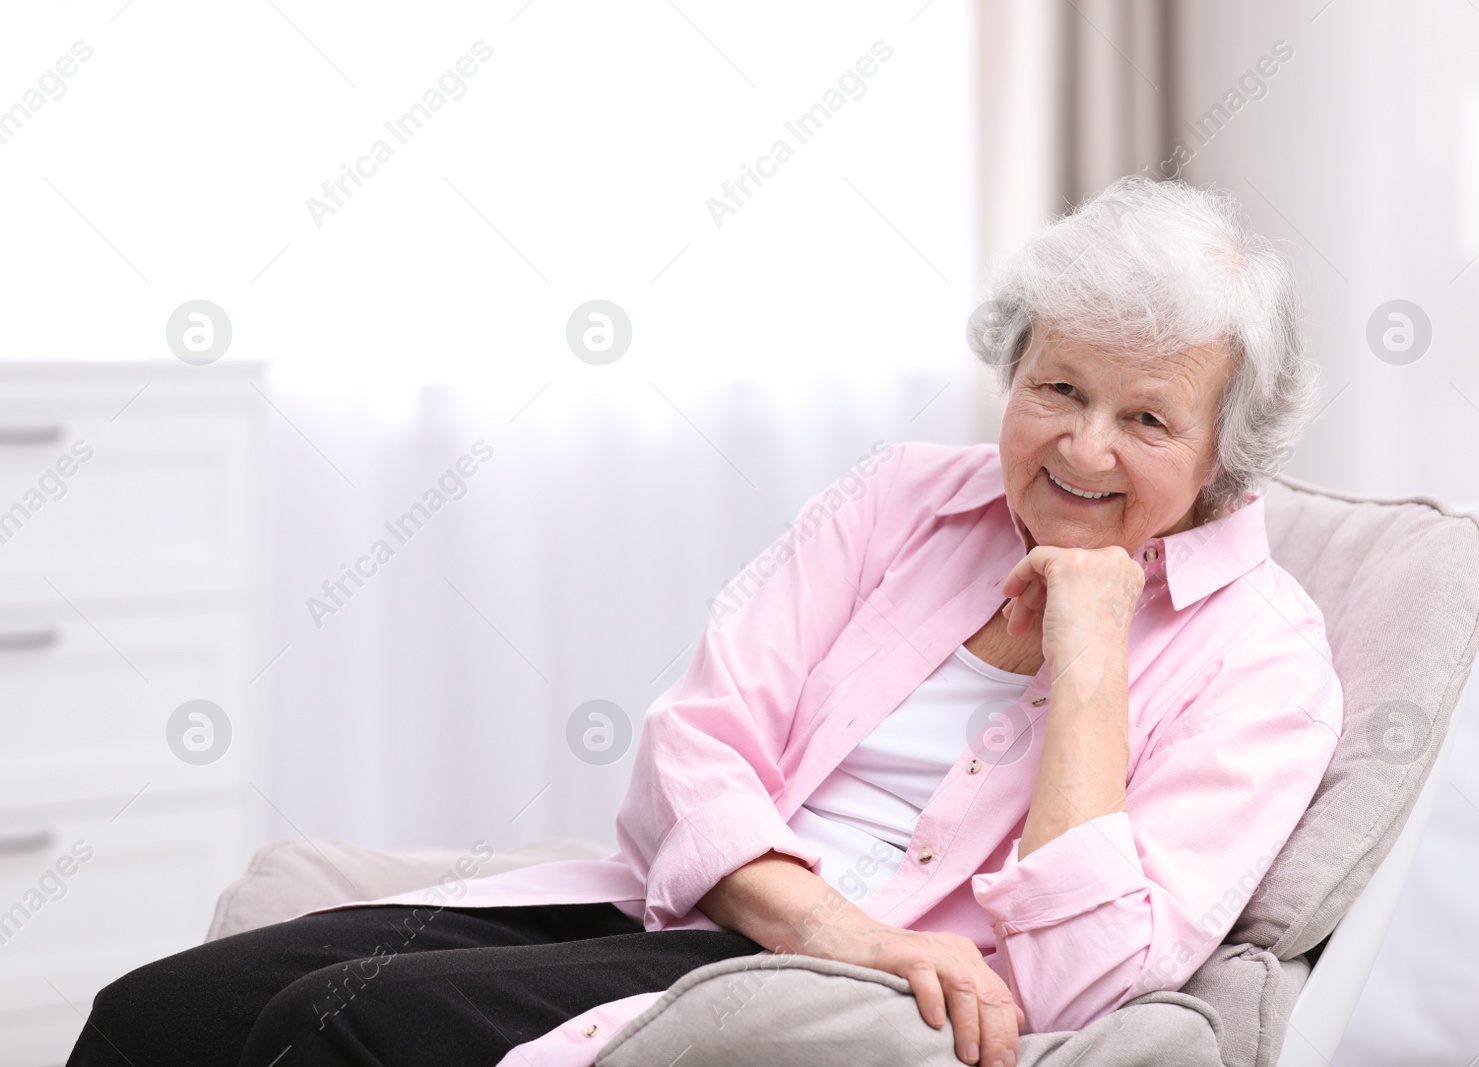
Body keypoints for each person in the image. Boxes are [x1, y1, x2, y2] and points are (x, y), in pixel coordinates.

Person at [68, 175, 1341, 1067]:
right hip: (720, 913)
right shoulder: (901, 498)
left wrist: (1090, 654)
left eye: (1147, 418)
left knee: (336, 1027)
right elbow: (690, 750)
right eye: (1056, 385)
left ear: (1226, 458)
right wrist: (831, 917)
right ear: (1009, 373)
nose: (1082, 444)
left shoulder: (1265, 661)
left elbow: (1081, 988)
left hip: (844, 1007)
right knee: (162, 1008)